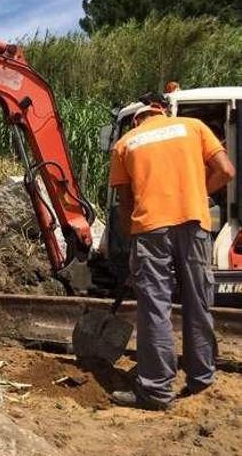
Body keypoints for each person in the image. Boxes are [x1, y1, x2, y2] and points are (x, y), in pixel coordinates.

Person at [108, 100, 235, 410]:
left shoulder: (126, 144)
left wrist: (130, 245)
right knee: (198, 302)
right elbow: (226, 171)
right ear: (161, 112)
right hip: (194, 224)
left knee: (155, 308)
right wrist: (198, 192)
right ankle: (201, 379)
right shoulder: (193, 127)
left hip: (150, 230)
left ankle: (156, 391)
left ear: (136, 120)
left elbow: (126, 204)